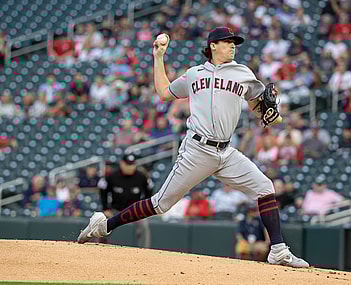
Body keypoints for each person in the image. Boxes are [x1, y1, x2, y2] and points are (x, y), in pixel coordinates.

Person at [77, 27, 309, 268]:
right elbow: (164, 93)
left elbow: (259, 107)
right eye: (227, 42)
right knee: (160, 204)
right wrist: (158, 58)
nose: (232, 46)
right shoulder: (194, 74)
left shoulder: (243, 73)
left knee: (265, 187)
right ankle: (103, 225)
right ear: (213, 46)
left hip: (226, 152)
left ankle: (279, 250)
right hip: (197, 150)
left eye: (234, 43)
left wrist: (270, 115)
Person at [97, 154, 153, 247]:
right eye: (127, 164)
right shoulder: (112, 176)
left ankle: (145, 250)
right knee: (104, 225)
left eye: (132, 164)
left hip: (135, 210)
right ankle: (99, 247)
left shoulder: (141, 176)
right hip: (116, 210)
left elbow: (149, 189)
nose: (130, 167)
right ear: (121, 164)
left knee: (144, 226)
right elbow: (103, 190)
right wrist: (106, 208)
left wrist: (143, 208)